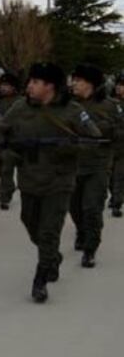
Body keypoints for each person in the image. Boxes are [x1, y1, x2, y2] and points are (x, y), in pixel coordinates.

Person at [0, 62, 101, 303]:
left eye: (35, 82)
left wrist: (68, 148)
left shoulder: (72, 111)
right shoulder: (20, 107)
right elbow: (1, 130)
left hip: (59, 181)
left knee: (49, 231)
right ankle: (52, 257)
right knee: (31, 225)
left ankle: (40, 280)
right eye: (29, 82)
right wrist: (4, 150)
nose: (29, 86)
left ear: (49, 86)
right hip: (29, 179)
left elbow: (94, 139)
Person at [68, 64, 122, 268]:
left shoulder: (110, 105)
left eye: (79, 80)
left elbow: (120, 131)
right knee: (74, 207)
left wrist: (104, 130)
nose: (74, 84)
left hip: (98, 165)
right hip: (73, 164)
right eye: (74, 80)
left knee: (92, 208)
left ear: (90, 84)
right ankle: (81, 231)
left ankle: (90, 249)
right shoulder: (69, 105)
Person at [0, 72, 21, 209]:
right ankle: (9, 186)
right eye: (2, 85)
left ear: (14, 87)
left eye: (7, 85)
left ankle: (4, 198)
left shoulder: (21, 101)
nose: (4, 88)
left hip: (15, 139)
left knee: (7, 168)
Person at [110, 73, 124, 218]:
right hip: (111, 145)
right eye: (118, 85)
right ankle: (113, 195)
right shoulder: (112, 103)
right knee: (111, 176)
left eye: (122, 85)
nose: (119, 88)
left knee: (120, 175)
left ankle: (116, 204)